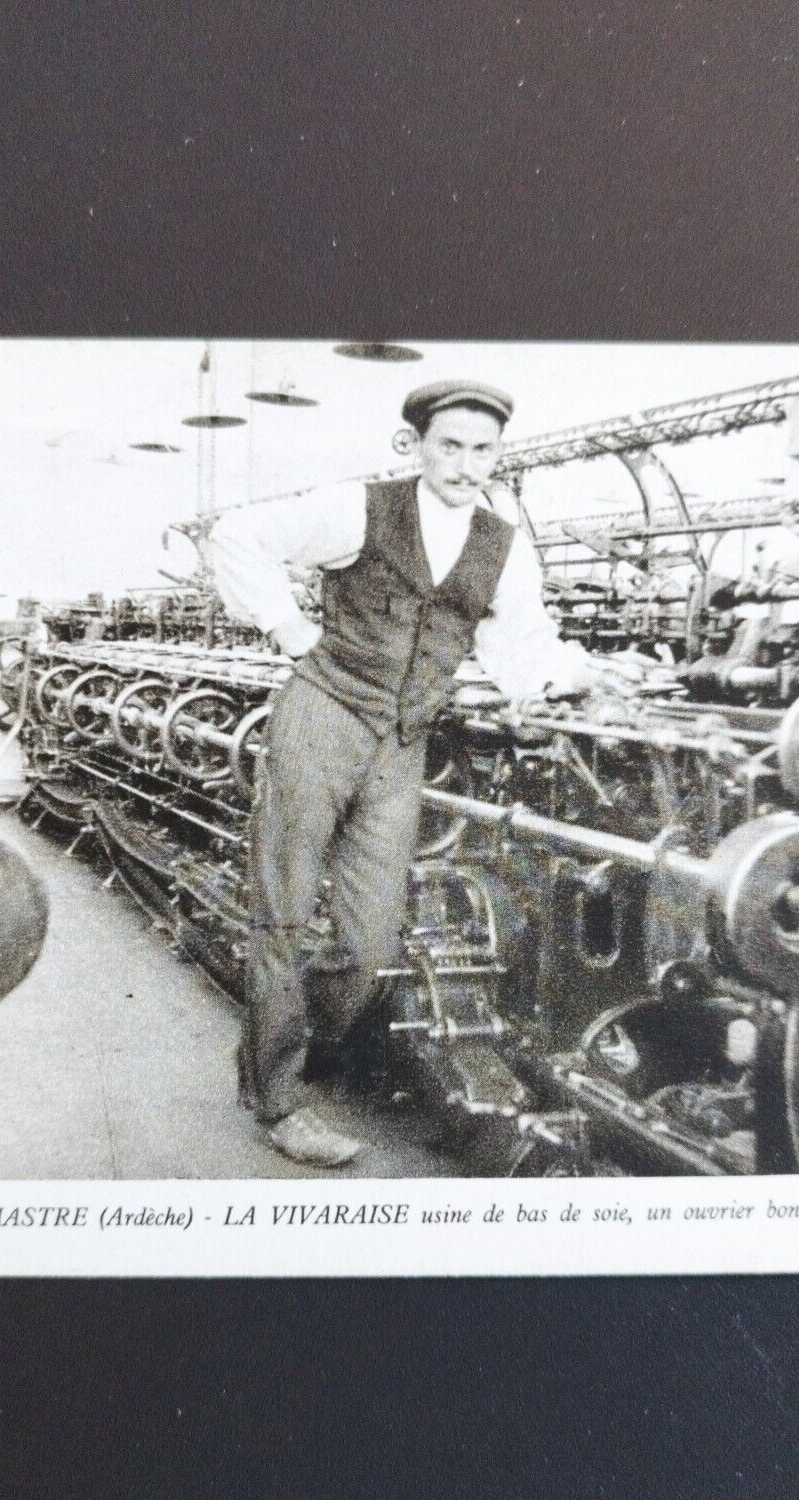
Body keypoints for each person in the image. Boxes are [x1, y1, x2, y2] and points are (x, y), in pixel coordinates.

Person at [209, 380, 608, 1166]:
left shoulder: (503, 544)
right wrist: (289, 632)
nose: (465, 465)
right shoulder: (360, 508)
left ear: (499, 454)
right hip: (321, 717)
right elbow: (235, 535)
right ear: (417, 445)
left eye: (481, 450)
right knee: (283, 913)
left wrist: (582, 675)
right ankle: (280, 1100)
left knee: (370, 937)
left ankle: (288, 1052)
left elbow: (518, 645)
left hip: (402, 742)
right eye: (449, 446)